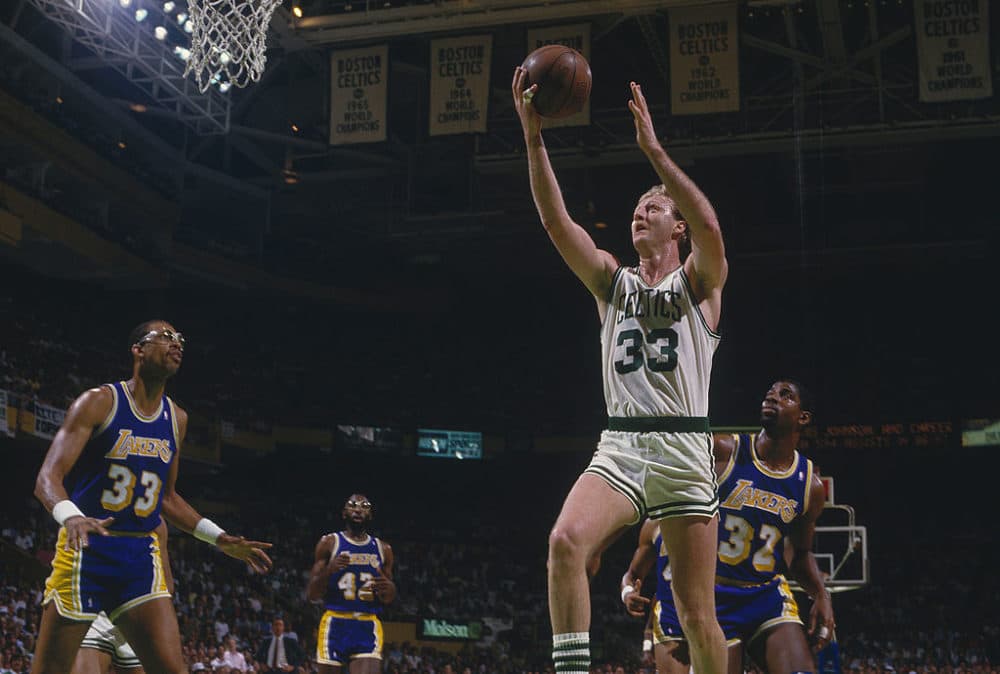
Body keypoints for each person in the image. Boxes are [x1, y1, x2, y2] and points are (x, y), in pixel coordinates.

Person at [512, 67, 729, 674]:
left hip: (687, 445)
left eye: (653, 205)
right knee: (564, 543)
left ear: (676, 225)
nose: (640, 210)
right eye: (636, 205)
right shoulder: (611, 280)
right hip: (624, 443)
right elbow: (557, 224)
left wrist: (656, 154)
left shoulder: (701, 283)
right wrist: (534, 137)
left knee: (694, 615)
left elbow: (711, 227)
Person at [30, 319, 274, 674]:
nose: (176, 343)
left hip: (139, 558)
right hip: (86, 553)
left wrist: (218, 538)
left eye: (179, 339)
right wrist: (71, 516)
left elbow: (167, 498)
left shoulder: (177, 418)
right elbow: (46, 479)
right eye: (164, 337)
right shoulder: (99, 402)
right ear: (138, 350)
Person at [620, 379, 836, 674]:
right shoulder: (723, 450)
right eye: (769, 392)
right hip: (710, 599)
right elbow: (671, 448)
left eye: (785, 396)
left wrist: (822, 595)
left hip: (764, 595)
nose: (772, 396)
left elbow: (800, 555)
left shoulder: (809, 485)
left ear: (803, 417)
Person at [306, 494, 396, 674]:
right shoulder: (329, 543)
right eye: (353, 505)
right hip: (335, 622)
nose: (358, 509)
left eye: (364, 506)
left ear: (370, 515)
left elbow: (388, 598)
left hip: (367, 623)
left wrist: (391, 588)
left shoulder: (383, 549)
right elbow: (312, 594)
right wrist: (329, 570)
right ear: (344, 513)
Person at [70, 517, 172, 674]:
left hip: (135, 612)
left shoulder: (157, 523)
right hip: (97, 612)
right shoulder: (87, 509)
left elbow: (166, 586)